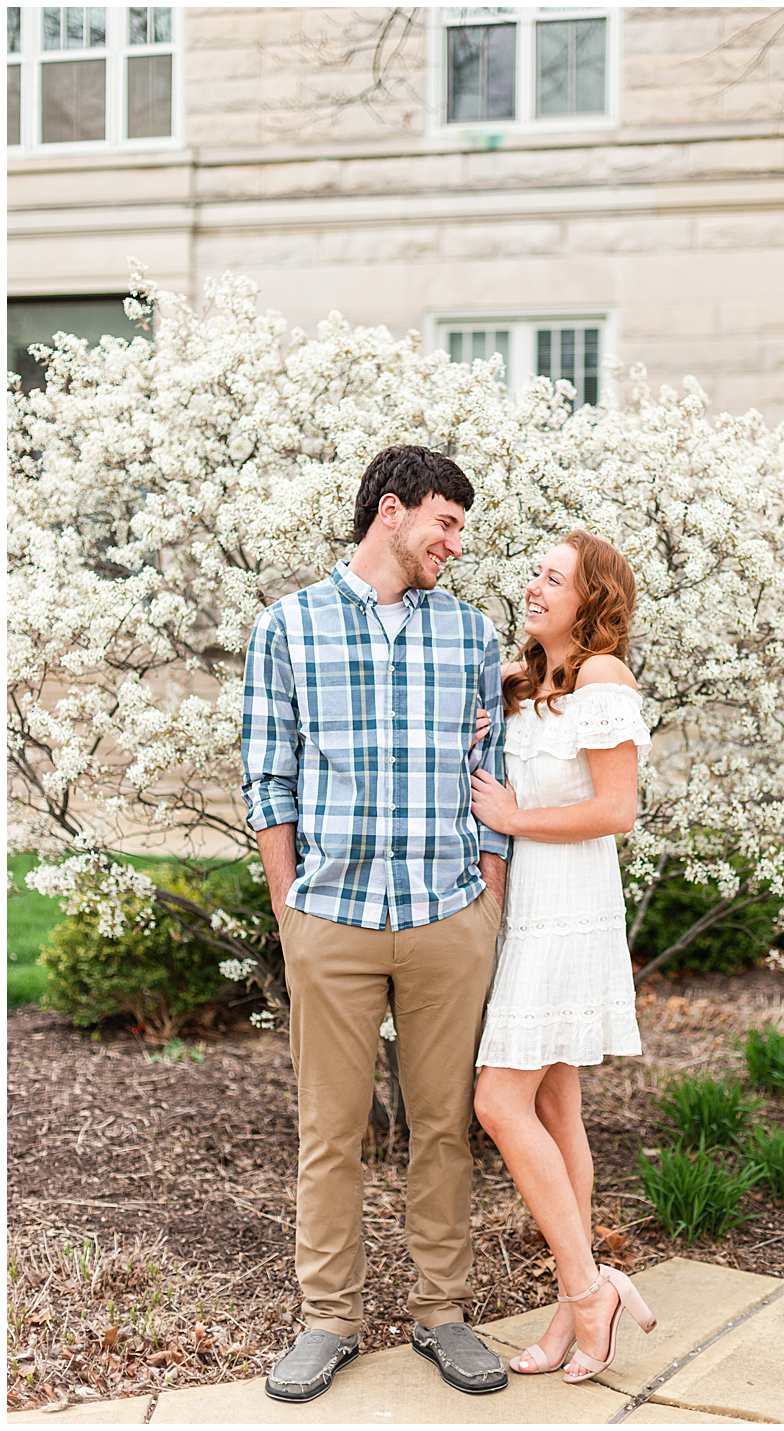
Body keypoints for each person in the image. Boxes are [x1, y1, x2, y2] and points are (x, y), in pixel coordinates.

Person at [242, 445, 513, 1402]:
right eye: (445, 523)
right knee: (330, 1128)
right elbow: (267, 778)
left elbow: (495, 782)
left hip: (448, 917)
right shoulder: (288, 628)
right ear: (390, 511)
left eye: (461, 530)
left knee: (443, 1125)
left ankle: (442, 1313)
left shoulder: (474, 636)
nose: (455, 543)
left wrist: (488, 904)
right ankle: (329, 1319)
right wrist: (290, 911)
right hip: (334, 918)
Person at [467, 530, 658, 1385]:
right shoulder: (525, 683)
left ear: (591, 599)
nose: (535, 585)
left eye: (554, 577)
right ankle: (572, 1310)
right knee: (555, 1111)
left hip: (571, 912)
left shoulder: (604, 680)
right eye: (535, 572)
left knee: (499, 1101)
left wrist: (511, 818)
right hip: (524, 909)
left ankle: (587, 1290)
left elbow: (616, 809)